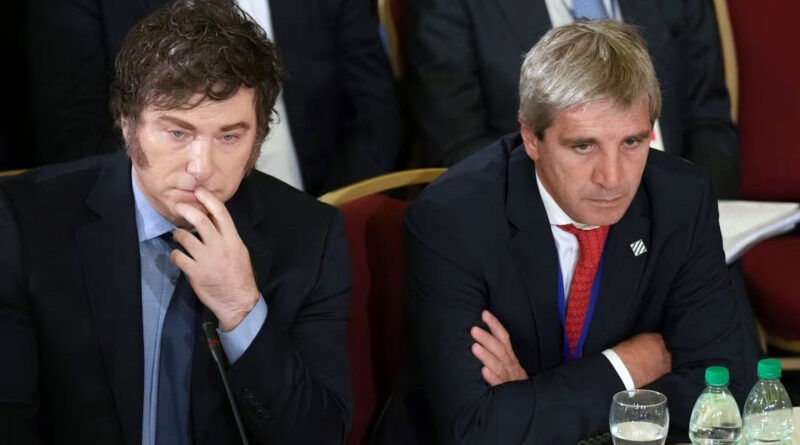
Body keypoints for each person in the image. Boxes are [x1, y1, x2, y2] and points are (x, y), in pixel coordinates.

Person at [376, 20, 759, 444]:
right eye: (584, 146)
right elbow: (476, 428)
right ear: (531, 137)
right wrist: (627, 367)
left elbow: (721, 395)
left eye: (632, 143)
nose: (612, 178)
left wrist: (531, 400)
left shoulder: (681, 200)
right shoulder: (453, 220)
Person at [0, 2, 351, 444]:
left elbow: (318, 435)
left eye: (229, 136)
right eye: (178, 133)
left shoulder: (312, 237)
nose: (201, 168)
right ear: (127, 124)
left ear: (258, 137)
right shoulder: (26, 222)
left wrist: (241, 309)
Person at [26, 0, 403, 195]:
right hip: (158, 228)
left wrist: (332, 215)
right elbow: (75, 137)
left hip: (315, 209)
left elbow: (377, 113)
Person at [403, 0, 741, 199]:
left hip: (677, 226)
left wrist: (686, 206)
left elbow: (710, 123)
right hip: (537, 234)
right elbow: (458, 147)